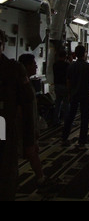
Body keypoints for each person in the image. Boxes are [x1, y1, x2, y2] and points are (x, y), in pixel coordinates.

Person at [0, 30, 35, 201]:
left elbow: (27, 106)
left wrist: (28, 141)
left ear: (3, 44)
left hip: (3, 125)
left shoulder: (12, 69)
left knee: (6, 171)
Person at [18, 53, 55, 192]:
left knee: (32, 152)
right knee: (28, 153)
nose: (36, 66)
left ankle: (40, 178)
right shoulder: (21, 85)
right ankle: (40, 179)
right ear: (26, 66)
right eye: (34, 64)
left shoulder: (27, 82)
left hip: (29, 126)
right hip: (23, 127)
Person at [62, 45, 89, 148]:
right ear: (84, 53)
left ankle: (64, 138)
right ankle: (82, 141)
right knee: (84, 118)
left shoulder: (71, 66)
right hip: (85, 94)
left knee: (70, 116)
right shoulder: (88, 66)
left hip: (74, 94)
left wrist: (69, 94)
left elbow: (68, 81)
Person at [53, 49, 70, 126]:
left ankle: (56, 120)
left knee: (58, 103)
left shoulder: (55, 64)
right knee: (66, 104)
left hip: (57, 85)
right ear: (65, 56)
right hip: (64, 85)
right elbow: (68, 76)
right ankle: (67, 121)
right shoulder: (66, 65)